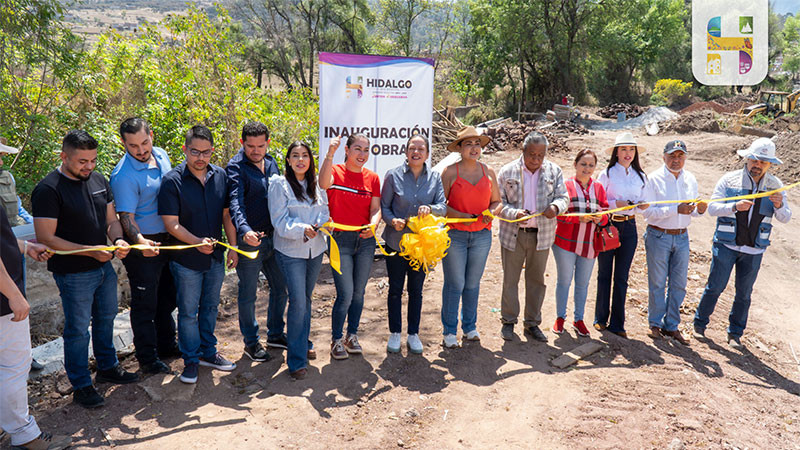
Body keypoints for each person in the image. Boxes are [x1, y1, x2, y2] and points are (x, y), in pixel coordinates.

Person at [32, 130, 138, 409]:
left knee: (106, 317)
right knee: (78, 330)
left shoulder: (99, 180)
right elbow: (46, 237)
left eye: (92, 160)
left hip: (103, 267)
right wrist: (91, 251)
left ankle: (107, 367)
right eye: (82, 161)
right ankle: (81, 384)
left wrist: (118, 239)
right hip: (73, 272)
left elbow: (110, 220)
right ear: (63, 156)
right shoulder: (48, 189)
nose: (88, 167)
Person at [158, 125, 238, 384]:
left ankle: (209, 353)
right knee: (188, 312)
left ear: (212, 151)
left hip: (215, 258)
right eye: (195, 152)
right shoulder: (172, 181)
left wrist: (233, 248)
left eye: (206, 152)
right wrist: (196, 243)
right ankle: (190, 360)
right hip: (186, 261)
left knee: (211, 307)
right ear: (185, 150)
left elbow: (227, 215)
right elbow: (172, 224)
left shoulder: (221, 176)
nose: (200, 158)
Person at [693, 138, 792, 348]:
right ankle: (699, 325)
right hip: (726, 245)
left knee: (744, 294)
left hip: (754, 249)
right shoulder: (729, 180)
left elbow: (785, 217)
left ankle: (735, 334)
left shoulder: (776, 186)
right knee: (715, 286)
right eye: (755, 160)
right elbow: (712, 208)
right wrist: (734, 207)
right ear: (747, 159)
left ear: (770, 165)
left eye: (763, 162)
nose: (758, 165)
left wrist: (780, 205)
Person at [109, 118, 178, 375]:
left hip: (169, 240)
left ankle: (167, 344)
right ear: (124, 144)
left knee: (168, 296)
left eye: (144, 142)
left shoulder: (161, 155)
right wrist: (140, 243)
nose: (141, 150)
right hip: (143, 243)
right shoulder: (123, 176)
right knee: (145, 303)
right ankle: (148, 358)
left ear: (151, 135)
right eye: (133, 146)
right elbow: (126, 218)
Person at [1, 207, 72, 449]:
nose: (1, 165)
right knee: (14, 366)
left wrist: (24, 246)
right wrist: (13, 294)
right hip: (3, 304)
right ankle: (25, 435)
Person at [496, 132, 569, 342]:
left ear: (546, 154)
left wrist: (556, 207)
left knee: (537, 281)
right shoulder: (507, 171)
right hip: (513, 234)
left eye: (540, 155)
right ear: (523, 151)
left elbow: (563, 196)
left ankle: (532, 324)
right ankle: (508, 322)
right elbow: (499, 203)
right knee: (510, 279)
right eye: (531, 154)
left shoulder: (554, 171)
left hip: (542, 235)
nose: (535, 159)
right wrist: (513, 214)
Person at [226, 121, 289, 361]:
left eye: (260, 146)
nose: (255, 150)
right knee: (248, 293)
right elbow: (235, 204)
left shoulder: (272, 162)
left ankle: (275, 334)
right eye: (250, 146)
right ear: (242, 143)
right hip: (250, 242)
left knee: (280, 288)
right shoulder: (236, 168)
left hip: (275, 239)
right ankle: (251, 343)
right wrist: (244, 231)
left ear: (267, 143)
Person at [268, 141, 329, 380]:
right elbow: (279, 222)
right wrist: (304, 229)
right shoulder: (279, 185)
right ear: (288, 160)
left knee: (305, 299)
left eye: (305, 155)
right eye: (295, 156)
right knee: (298, 302)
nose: (300, 160)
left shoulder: (316, 185)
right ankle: (296, 361)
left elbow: (324, 212)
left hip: (315, 251)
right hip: (291, 251)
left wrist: (319, 226)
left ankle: (302, 345)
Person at [380, 134, 446, 354]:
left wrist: (431, 208)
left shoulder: (435, 177)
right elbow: (385, 207)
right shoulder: (393, 176)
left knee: (416, 290)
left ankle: (413, 334)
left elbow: (443, 206)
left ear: (427, 154)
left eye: (420, 149)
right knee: (395, 290)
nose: (416, 152)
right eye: (412, 148)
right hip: (396, 243)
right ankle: (395, 333)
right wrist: (392, 220)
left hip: (422, 246)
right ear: (406, 152)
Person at [319, 133, 381, 360]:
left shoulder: (373, 178)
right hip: (340, 240)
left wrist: (374, 225)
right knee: (344, 293)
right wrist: (329, 154)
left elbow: (375, 209)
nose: (362, 154)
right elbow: (323, 184)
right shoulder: (335, 171)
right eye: (358, 149)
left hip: (365, 241)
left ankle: (351, 335)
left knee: (358, 292)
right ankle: (336, 340)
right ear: (347, 150)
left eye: (366, 150)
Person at [439, 126, 501, 348]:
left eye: (477, 143)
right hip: (455, 235)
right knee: (455, 283)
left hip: (482, 236)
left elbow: (497, 201)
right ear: (460, 148)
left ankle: (469, 327)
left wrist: (491, 213)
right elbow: (440, 206)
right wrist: (460, 216)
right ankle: (448, 330)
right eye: (468, 144)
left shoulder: (489, 172)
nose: (474, 148)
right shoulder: (450, 172)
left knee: (472, 284)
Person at [642, 140, 707, 345]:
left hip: (681, 236)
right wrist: (675, 210)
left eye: (680, 156)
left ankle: (672, 326)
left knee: (679, 284)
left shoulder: (690, 179)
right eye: (672, 156)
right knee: (658, 282)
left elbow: (692, 211)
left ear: (685, 158)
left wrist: (699, 210)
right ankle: (655, 323)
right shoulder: (653, 179)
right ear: (663, 157)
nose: (676, 160)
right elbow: (648, 213)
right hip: (658, 235)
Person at [594, 132, 649, 338]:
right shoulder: (606, 174)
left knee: (622, 277)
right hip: (609, 226)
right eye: (624, 149)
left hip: (630, 227)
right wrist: (614, 204)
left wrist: (641, 206)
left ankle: (618, 323)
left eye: (631, 150)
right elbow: (598, 203)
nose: (628, 153)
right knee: (604, 274)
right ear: (616, 152)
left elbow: (644, 203)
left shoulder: (641, 177)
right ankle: (600, 318)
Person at [552, 149, 609, 337]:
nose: (587, 168)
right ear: (575, 164)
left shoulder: (599, 187)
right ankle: (560, 318)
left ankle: (579, 319)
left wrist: (599, 219)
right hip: (566, 242)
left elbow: (606, 214)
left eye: (591, 165)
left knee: (583, 284)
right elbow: (557, 215)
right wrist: (578, 220)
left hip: (589, 244)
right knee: (564, 281)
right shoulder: (565, 186)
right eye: (583, 164)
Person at [0, 138, 33, 226]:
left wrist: (35, 225)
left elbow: (18, 209)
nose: (1, 162)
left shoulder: (7, 178)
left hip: (13, 232)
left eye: (0, 156)